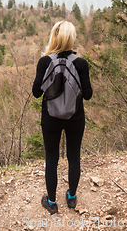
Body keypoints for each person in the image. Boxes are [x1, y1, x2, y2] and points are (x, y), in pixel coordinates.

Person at [32, 20, 93, 214]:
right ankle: (72, 198)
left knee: (52, 158)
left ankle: (51, 202)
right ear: (71, 38)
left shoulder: (44, 61)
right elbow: (88, 94)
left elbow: (36, 93)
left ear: (54, 37)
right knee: (74, 156)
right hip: (75, 117)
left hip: (50, 117)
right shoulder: (81, 63)